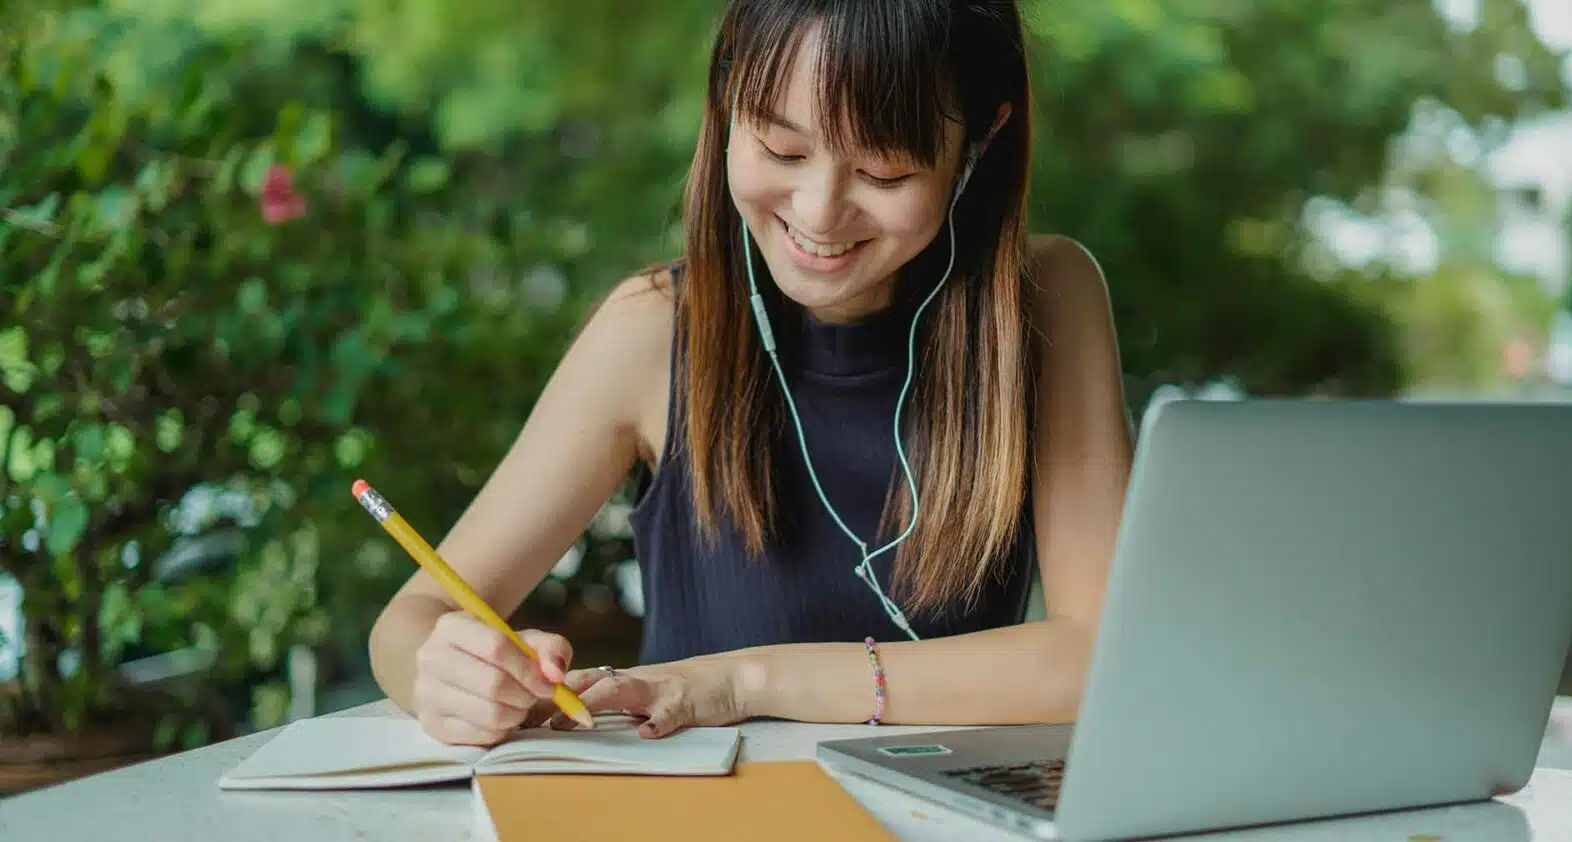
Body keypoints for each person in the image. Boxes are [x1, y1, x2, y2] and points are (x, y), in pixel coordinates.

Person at [367, 0, 1134, 747]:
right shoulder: (654, 329)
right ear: (728, 102)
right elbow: (412, 620)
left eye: (884, 172)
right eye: (781, 150)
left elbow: (1099, 657)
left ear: (982, 137)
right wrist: (446, 675)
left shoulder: (1045, 304)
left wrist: (745, 683)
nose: (820, 212)